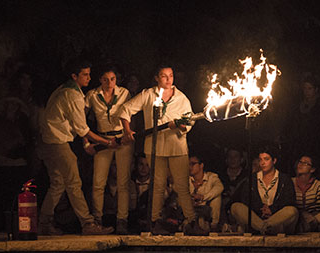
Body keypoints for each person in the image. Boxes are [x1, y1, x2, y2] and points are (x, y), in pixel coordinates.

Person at [119, 64, 206, 235]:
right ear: (157, 78)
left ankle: (191, 221)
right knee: (158, 185)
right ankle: (154, 221)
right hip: (155, 146)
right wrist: (127, 130)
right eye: (164, 76)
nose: (168, 79)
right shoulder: (148, 95)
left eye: (171, 76)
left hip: (176, 147)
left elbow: (189, 121)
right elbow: (125, 109)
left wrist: (180, 126)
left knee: (181, 185)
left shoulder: (181, 98)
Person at [37, 58, 115, 235]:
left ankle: (43, 223)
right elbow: (83, 129)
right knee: (73, 182)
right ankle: (88, 224)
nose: (88, 78)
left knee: (58, 183)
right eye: (84, 74)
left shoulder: (66, 89)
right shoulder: (72, 95)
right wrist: (107, 142)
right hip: (56, 142)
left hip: (49, 141)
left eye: (89, 74)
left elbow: (78, 127)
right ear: (74, 76)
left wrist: (93, 140)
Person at [85, 66, 133, 234]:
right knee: (99, 182)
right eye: (106, 79)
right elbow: (80, 119)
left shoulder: (124, 93)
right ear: (100, 80)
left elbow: (131, 113)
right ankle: (97, 219)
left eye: (112, 79)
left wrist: (128, 132)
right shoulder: (92, 95)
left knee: (123, 182)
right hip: (103, 139)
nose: (110, 83)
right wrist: (86, 143)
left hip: (121, 139)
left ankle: (122, 220)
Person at [230, 146, 298, 234]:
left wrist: (271, 209)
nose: (262, 163)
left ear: (274, 161)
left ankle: (264, 227)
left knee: (292, 211)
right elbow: (246, 199)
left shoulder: (284, 179)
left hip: (276, 219)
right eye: (260, 160)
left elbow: (289, 200)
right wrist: (260, 208)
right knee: (235, 207)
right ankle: (263, 228)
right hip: (257, 218)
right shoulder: (252, 179)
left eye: (266, 159)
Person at [292, 155, 320, 232]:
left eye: (306, 163)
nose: (301, 165)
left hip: (313, 218)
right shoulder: (291, 182)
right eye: (300, 162)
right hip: (297, 217)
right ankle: (309, 228)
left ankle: (305, 228)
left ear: (312, 169)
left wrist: (311, 217)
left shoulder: (317, 185)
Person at [189, 153, 223, 231]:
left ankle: (214, 225)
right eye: (188, 164)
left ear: (201, 165)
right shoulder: (186, 179)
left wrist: (203, 197)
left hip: (207, 210)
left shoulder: (211, 177)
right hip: (191, 209)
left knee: (217, 197)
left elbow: (219, 187)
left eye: (193, 164)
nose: (190, 167)